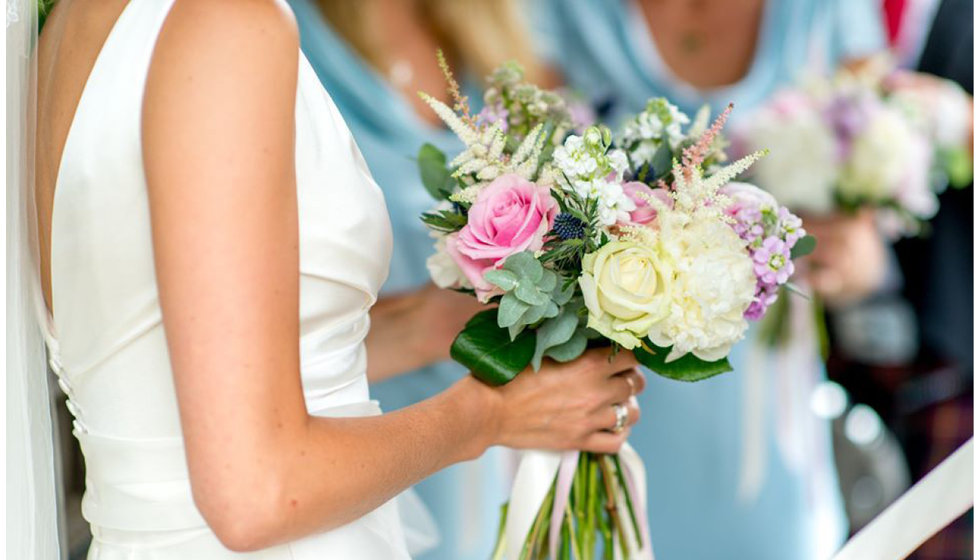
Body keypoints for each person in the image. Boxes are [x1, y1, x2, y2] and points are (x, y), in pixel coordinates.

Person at [30, 0, 645, 557]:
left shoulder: (78, 25)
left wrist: (432, 323)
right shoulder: (225, 25)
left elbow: (185, 364)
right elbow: (259, 492)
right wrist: (491, 416)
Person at [539, 0, 891, 558]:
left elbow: (869, 251)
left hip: (765, 408)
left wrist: (846, 257)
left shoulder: (829, 13)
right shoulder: (562, 13)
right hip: (605, 389)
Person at [285, 1, 554, 557]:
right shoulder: (281, 40)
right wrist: (433, 323)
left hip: (489, 447)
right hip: (353, 446)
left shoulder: (494, 36)